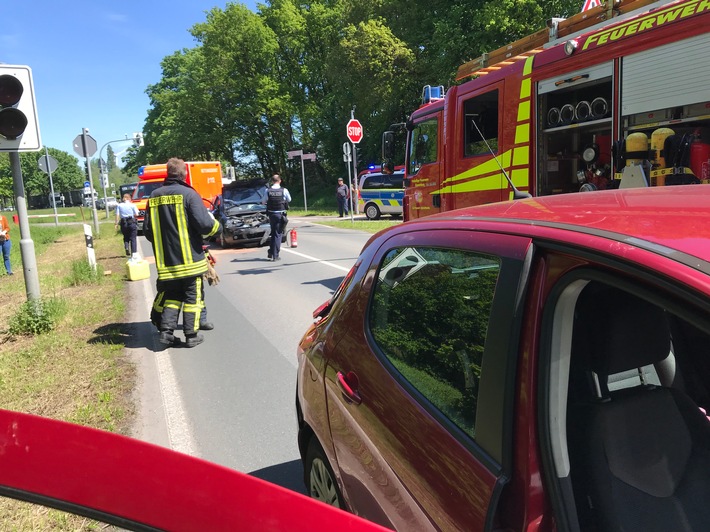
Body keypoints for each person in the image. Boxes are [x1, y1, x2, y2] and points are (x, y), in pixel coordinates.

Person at [144, 157, 221, 348]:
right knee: (192, 299)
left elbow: (147, 230)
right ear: (184, 174)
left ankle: (166, 333)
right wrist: (218, 228)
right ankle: (191, 335)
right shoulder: (189, 194)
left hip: (166, 263)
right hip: (190, 263)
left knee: (172, 297)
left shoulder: (153, 196)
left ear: (168, 173)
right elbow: (204, 225)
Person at [265, 174, 291, 262]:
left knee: (273, 233)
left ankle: (271, 252)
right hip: (280, 214)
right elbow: (289, 199)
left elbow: (263, 201)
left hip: (271, 215)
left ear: (272, 181)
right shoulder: (284, 190)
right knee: (278, 234)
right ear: (280, 181)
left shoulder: (267, 190)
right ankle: (275, 255)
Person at [115, 193, 139, 258]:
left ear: (124, 198)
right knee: (133, 238)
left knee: (126, 236)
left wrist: (116, 224)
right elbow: (137, 214)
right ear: (129, 198)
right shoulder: (133, 205)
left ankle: (126, 247)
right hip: (131, 222)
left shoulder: (119, 205)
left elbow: (117, 215)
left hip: (123, 223)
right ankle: (134, 253)